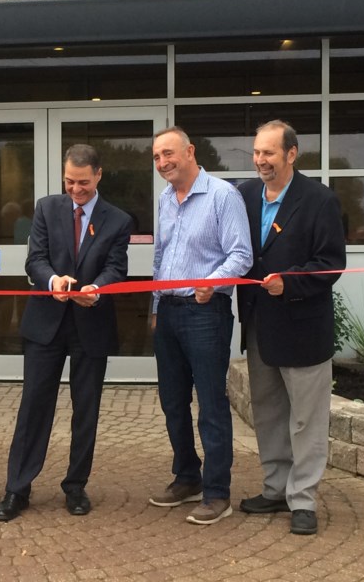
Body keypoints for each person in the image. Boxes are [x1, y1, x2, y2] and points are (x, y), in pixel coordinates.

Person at [0, 144, 131, 522]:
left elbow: (117, 269)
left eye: (83, 183)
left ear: (99, 175)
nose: (75, 189)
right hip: (46, 324)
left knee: (85, 410)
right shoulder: (46, 208)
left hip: (91, 324)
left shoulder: (118, 220)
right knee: (34, 407)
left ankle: (75, 486)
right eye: (70, 181)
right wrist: (53, 280)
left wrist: (95, 289)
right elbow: (34, 258)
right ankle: (16, 489)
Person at [237, 120, 346, 536]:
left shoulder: (319, 200)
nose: (260, 161)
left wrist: (290, 282)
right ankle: (275, 488)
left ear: (291, 154)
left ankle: (303, 499)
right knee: (268, 413)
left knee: (306, 420)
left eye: (268, 153)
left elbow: (331, 263)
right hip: (260, 328)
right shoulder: (245, 195)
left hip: (303, 327)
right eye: (257, 152)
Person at [149, 127, 252, 525]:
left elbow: (240, 254)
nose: (163, 163)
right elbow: (161, 258)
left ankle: (217, 492)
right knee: (172, 400)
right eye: (157, 157)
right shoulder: (164, 198)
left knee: (211, 403)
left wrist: (214, 282)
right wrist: (156, 305)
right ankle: (187, 476)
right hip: (170, 313)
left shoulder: (223, 196)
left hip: (206, 313)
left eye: (169, 154)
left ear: (190, 151)